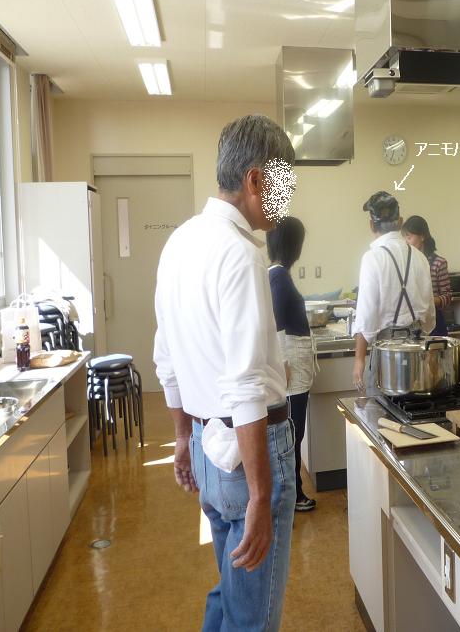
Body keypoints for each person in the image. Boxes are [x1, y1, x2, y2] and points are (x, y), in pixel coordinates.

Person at [153, 115, 297, 632]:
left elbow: (166, 357)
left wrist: (181, 438)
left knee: (231, 590)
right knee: (252, 616)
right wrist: (261, 495)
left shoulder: (180, 242)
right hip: (250, 455)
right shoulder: (240, 254)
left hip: (206, 442)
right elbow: (246, 387)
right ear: (256, 180)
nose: (287, 199)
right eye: (284, 184)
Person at [351, 191, 436, 394]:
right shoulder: (420, 257)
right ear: (400, 221)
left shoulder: (372, 258)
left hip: (386, 351)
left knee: (381, 410)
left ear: (372, 225)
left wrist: (359, 360)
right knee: (415, 409)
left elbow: (366, 316)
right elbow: (429, 316)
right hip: (417, 349)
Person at [267, 216, 317, 513]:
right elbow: (275, 328)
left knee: (292, 434)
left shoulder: (277, 275)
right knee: (292, 435)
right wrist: (283, 365)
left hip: (293, 371)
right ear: (293, 246)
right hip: (291, 373)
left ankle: (292, 492)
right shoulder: (279, 279)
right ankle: (293, 494)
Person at [402, 215, 451, 336]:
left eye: (409, 237)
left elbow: (447, 296)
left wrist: (428, 301)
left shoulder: (438, 263)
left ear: (422, 236)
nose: (406, 242)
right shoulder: (405, 264)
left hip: (434, 321)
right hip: (411, 321)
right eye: (404, 237)